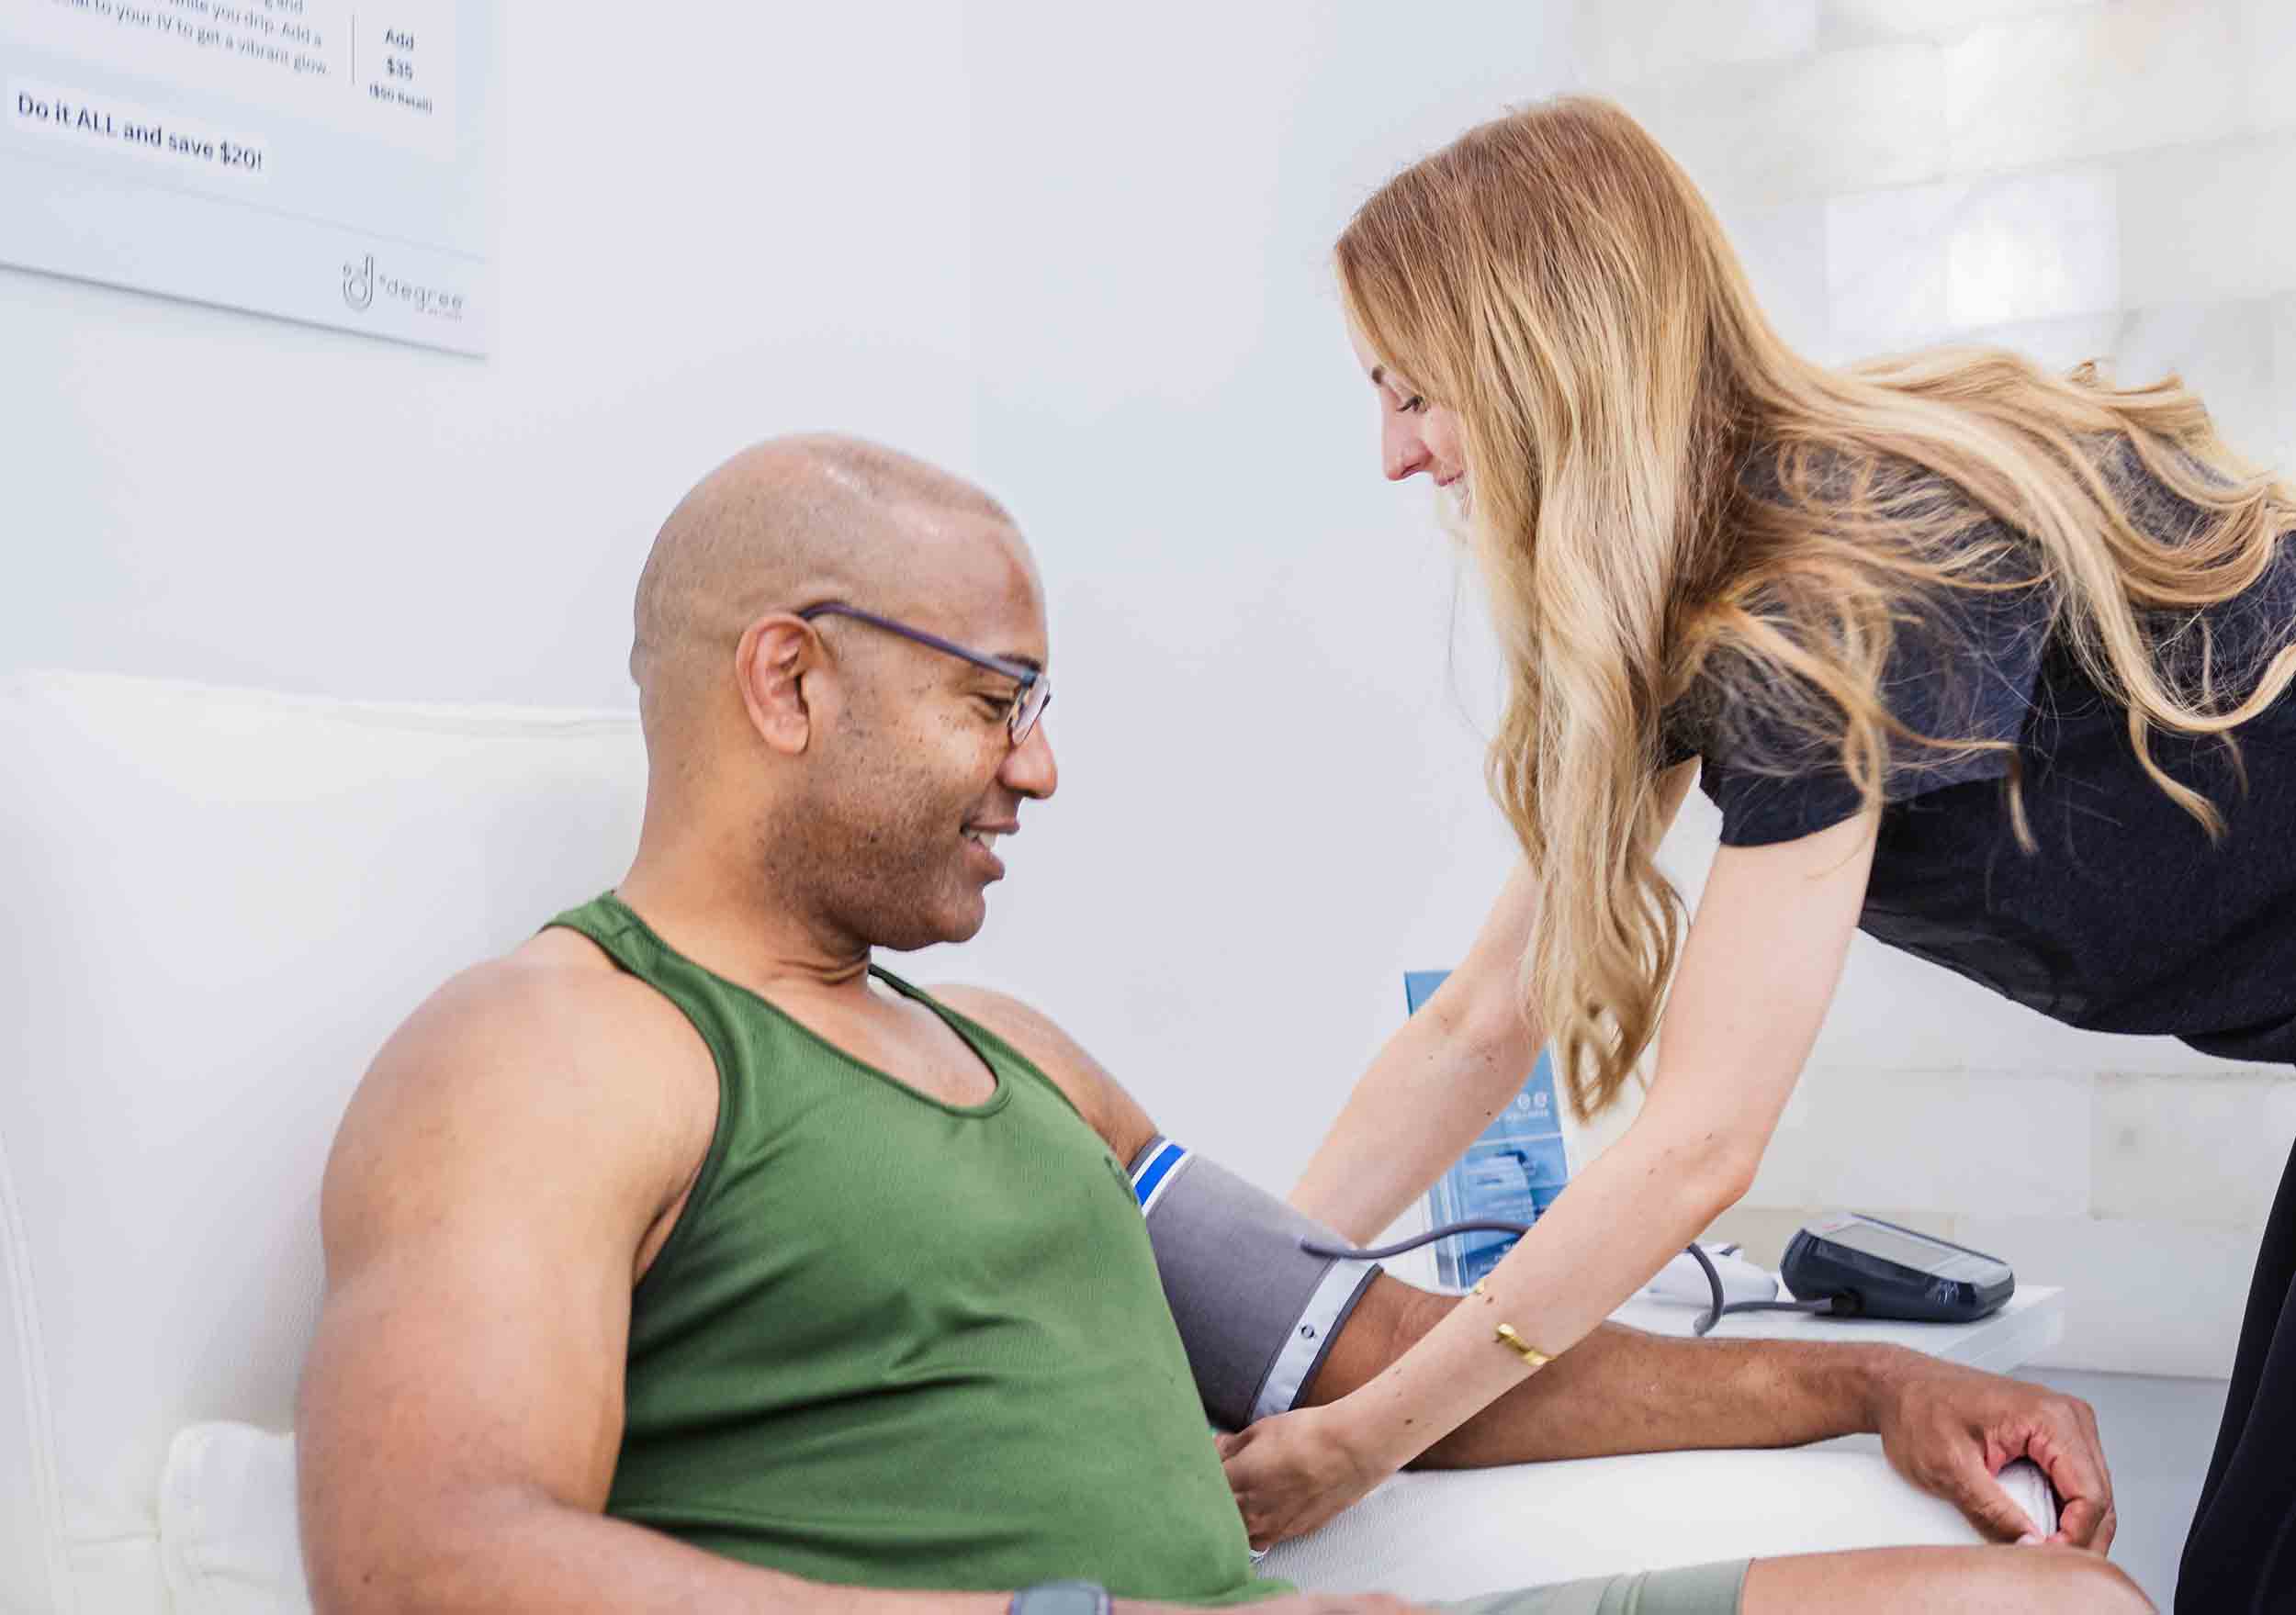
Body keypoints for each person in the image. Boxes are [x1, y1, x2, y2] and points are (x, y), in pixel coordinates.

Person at [296, 434, 2151, 1614]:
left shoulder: (1017, 1056)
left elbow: (1365, 1352)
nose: (1037, 765)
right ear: (789, 674)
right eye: (993, 700)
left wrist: (1868, 1383)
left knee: (2050, 1611)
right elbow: (425, 1557)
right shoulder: (549, 1050)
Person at [1220, 94, 2296, 1615]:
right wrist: (1252, 1318)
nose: (1395, 456)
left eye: (1413, 393)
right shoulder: (1711, 572)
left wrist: (1355, 1443)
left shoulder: (1827, 587)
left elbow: (1699, 1144)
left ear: (1536, 365)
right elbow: (1478, 1018)